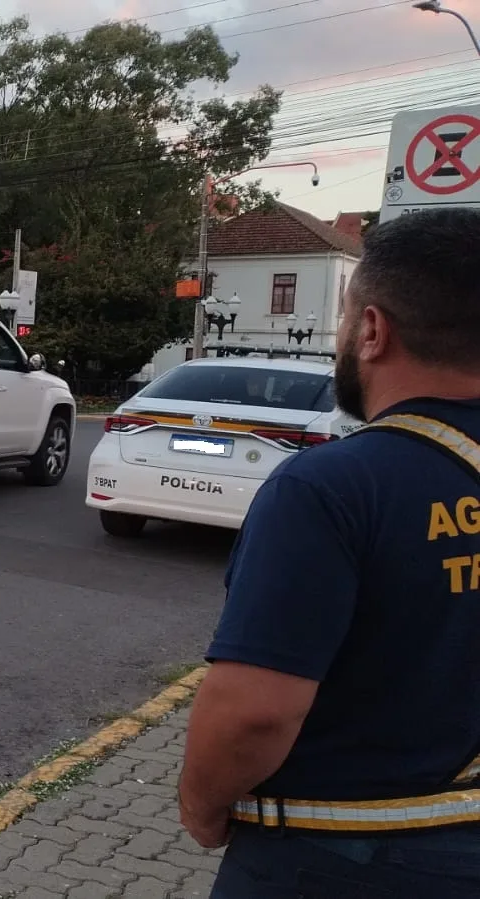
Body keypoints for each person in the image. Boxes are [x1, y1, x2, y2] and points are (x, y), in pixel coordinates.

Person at [179, 207, 480, 897]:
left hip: (335, 854)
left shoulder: (333, 485)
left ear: (372, 331)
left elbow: (255, 711)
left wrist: (200, 805)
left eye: (345, 319)